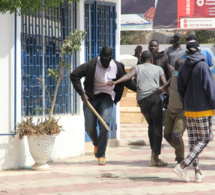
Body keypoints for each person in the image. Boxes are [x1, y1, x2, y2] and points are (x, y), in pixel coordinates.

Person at [70, 46, 136, 166]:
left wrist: (140, 89)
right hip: (91, 97)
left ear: (111, 57)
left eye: (108, 58)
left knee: (104, 125)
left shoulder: (117, 66)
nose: (106, 60)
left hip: (107, 97)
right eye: (104, 58)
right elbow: (74, 75)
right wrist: (82, 93)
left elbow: (126, 81)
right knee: (89, 127)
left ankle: (101, 154)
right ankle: (96, 143)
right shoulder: (91, 64)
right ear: (100, 56)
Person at [106, 50, 168, 167]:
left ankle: (152, 155)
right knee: (158, 127)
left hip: (142, 101)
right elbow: (164, 83)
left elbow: (128, 76)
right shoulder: (158, 69)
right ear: (151, 60)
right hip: (154, 98)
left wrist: (115, 82)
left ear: (141, 59)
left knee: (151, 125)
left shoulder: (137, 68)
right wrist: (168, 92)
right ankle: (155, 157)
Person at [173, 41, 215, 182]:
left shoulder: (183, 67)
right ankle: (183, 165)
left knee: (193, 141)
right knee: (205, 138)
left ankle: (197, 172)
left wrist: (187, 103)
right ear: (199, 50)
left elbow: (181, 89)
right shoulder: (203, 66)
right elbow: (210, 89)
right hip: (203, 109)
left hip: (189, 109)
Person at [158, 58, 186, 165]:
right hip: (170, 110)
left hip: (182, 112)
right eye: (176, 68)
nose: (176, 71)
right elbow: (170, 80)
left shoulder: (188, 80)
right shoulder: (174, 76)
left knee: (177, 135)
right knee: (167, 135)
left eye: (179, 69)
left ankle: (180, 159)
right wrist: (163, 87)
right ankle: (180, 149)